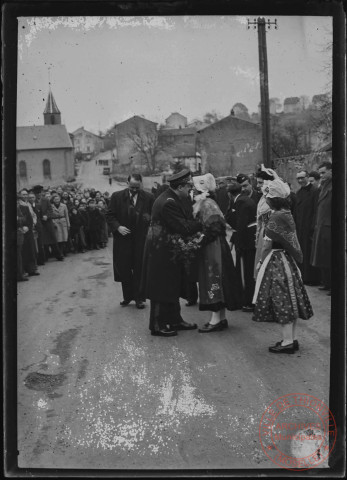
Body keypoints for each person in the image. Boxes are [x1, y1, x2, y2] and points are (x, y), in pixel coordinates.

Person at [252, 178, 313, 354]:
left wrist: (261, 262)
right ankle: (292, 339)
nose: (266, 199)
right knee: (291, 299)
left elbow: (266, 244)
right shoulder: (287, 212)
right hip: (288, 260)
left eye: (268, 197)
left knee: (282, 300)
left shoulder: (276, 216)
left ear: (273, 199)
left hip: (276, 260)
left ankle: (287, 342)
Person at [141, 169, 201, 336]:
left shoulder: (171, 197)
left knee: (171, 285)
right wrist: (203, 222)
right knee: (161, 287)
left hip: (166, 248)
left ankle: (175, 320)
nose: (190, 188)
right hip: (161, 250)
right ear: (180, 187)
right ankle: (157, 325)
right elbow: (183, 227)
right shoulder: (168, 202)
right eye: (189, 186)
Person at [191, 174, 243, 333]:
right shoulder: (206, 203)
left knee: (214, 278)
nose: (192, 191)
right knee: (217, 279)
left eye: (194, 188)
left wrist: (198, 240)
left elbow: (215, 228)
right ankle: (220, 318)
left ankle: (216, 319)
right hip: (214, 246)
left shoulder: (207, 204)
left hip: (213, 249)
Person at [106, 173, 154, 309]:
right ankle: (127, 297)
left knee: (139, 268)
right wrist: (118, 227)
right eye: (132, 187)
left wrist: (147, 220)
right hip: (123, 239)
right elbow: (109, 215)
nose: (134, 190)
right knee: (124, 268)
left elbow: (153, 217)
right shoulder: (116, 196)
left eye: (137, 187)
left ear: (141, 184)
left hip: (141, 240)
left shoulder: (149, 197)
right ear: (127, 183)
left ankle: (140, 298)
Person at [226, 183, 257, 312]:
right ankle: (249, 299)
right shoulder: (245, 199)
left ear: (229, 194)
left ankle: (248, 301)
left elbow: (241, 224)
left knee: (246, 272)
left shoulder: (240, 202)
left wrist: (237, 243)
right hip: (250, 238)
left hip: (246, 242)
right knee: (249, 270)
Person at [294, 170, 321, 285]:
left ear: (308, 177)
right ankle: (303, 277)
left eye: (302, 178)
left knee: (309, 252)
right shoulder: (298, 192)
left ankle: (312, 279)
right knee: (302, 252)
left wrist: (313, 226)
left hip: (309, 228)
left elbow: (316, 210)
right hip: (300, 228)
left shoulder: (315, 191)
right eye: (298, 178)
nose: (300, 180)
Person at [310, 162, 332, 294]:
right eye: (320, 173)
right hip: (321, 226)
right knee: (322, 257)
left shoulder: (335, 187)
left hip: (329, 227)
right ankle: (327, 283)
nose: (321, 175)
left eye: (324, 172)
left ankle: (334, 285)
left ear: (331, 171)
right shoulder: (323, 186)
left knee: (330, 258)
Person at [32, 185, 64, 261]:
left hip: (48, 222)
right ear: (35, 194)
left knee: (53, 239)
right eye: (37, 193)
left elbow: (50, 210)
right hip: (40, 223)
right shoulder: (33, 201)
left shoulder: (46, 200)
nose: (38, 194)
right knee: (43, 241)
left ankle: (58, 255)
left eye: (40, 193)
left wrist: (47, 216)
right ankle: (45, 256)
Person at [254, 170, 274, 278]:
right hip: (262, 232)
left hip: (270, 234)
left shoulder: (273, 198)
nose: (258, 185)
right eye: (257, 182)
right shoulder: (263, 197)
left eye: (260, 183)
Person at [18, 189, 40, 276]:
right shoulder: (19, 204)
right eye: (23, 194)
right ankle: (25, 270)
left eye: (26, 194)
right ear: (20, 195)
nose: (25, 196)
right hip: (22, 230)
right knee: (24, 251)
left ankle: (32, 269)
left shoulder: (28, 204)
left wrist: (33, 223)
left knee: (31, 250)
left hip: (29, 229)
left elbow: (32, 216)